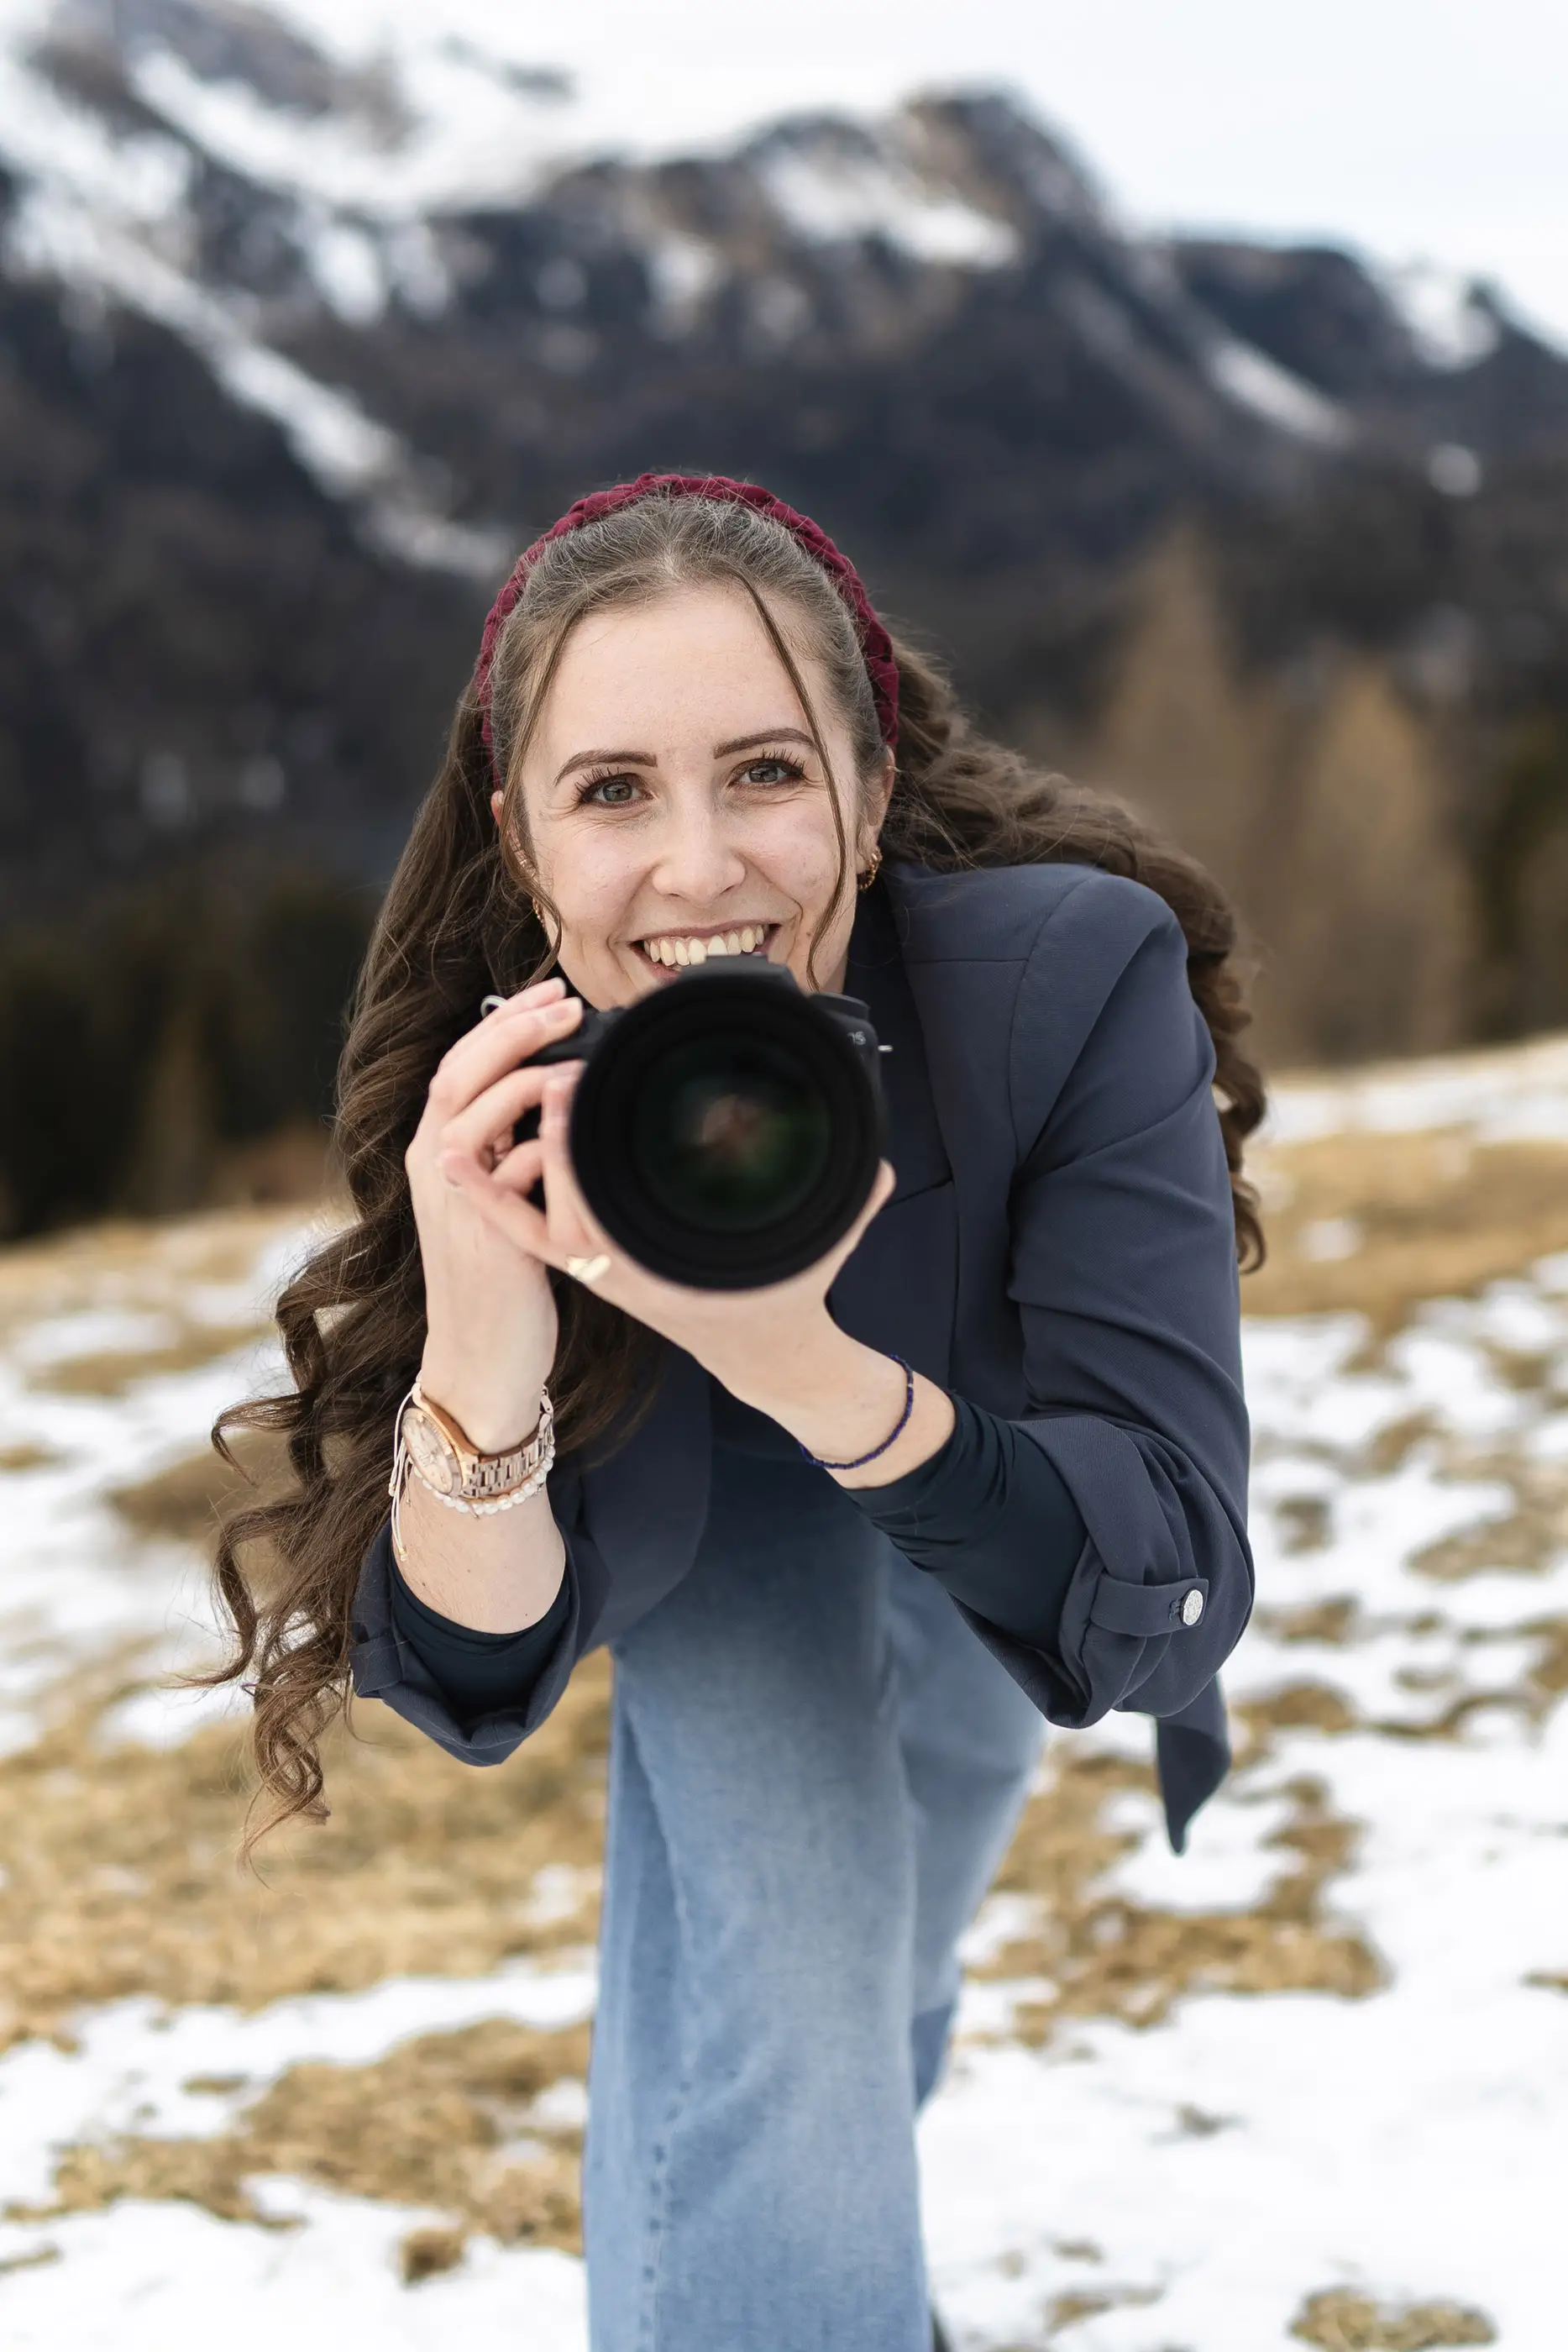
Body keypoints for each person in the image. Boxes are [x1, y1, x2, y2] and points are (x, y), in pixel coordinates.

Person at [213, 474, 1262, 2352]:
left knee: (904, 1921)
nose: (698, 867)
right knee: (793, 1937)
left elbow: (1157, 1567)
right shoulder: (501, 1089)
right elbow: (470, 1654)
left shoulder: (1067, 981)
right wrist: (483, 1324)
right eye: (612, 790)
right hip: (702, 1491)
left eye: (765, 772)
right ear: (526, 850)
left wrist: (801, 1349)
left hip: (1000, 1457)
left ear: (867, 798)